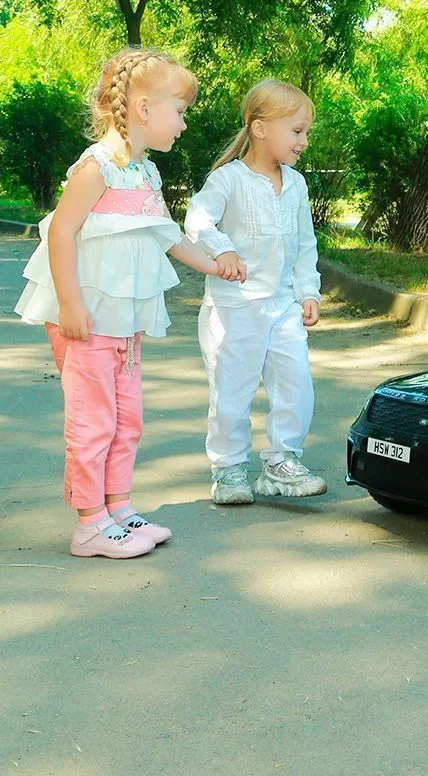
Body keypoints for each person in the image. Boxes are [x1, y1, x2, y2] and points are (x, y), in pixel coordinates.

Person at [14, 47, 235, 559]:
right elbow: (61, 233)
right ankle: (90, 523)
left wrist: (213, 263)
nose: (183, 123)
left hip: (123, 319)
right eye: (179, 111)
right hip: (88, 317)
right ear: (143, 108)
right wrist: (70, 303)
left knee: (126, 417)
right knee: (93, 420)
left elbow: (166, 235)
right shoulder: (96, 167)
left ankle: (117, 507)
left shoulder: (145, 173)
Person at [184, 79, 326, 505]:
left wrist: (309, 292)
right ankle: (228, 469)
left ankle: (281, 462)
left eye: (305, 132)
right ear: (261, 128)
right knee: (232, 391)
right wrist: (222, 248)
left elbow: (304, 245)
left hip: (282, 306)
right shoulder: (229, 179)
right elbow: (197, 220)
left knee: (296, 384)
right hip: (235, 309)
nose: (304, 141)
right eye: (297, 131)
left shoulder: (296, 184)